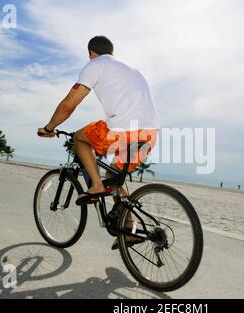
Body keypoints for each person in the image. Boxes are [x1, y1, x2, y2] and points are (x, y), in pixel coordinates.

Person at [37, 36, 160, 249]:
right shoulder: (131, 69)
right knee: (114, 176)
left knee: (79, 137)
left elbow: (69, 104)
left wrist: (49, 128)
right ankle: (129, 229)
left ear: (91, 53)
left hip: (123, 131)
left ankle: (95, 186)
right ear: (111, 51)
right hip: (149, 134)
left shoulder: (96, 64)